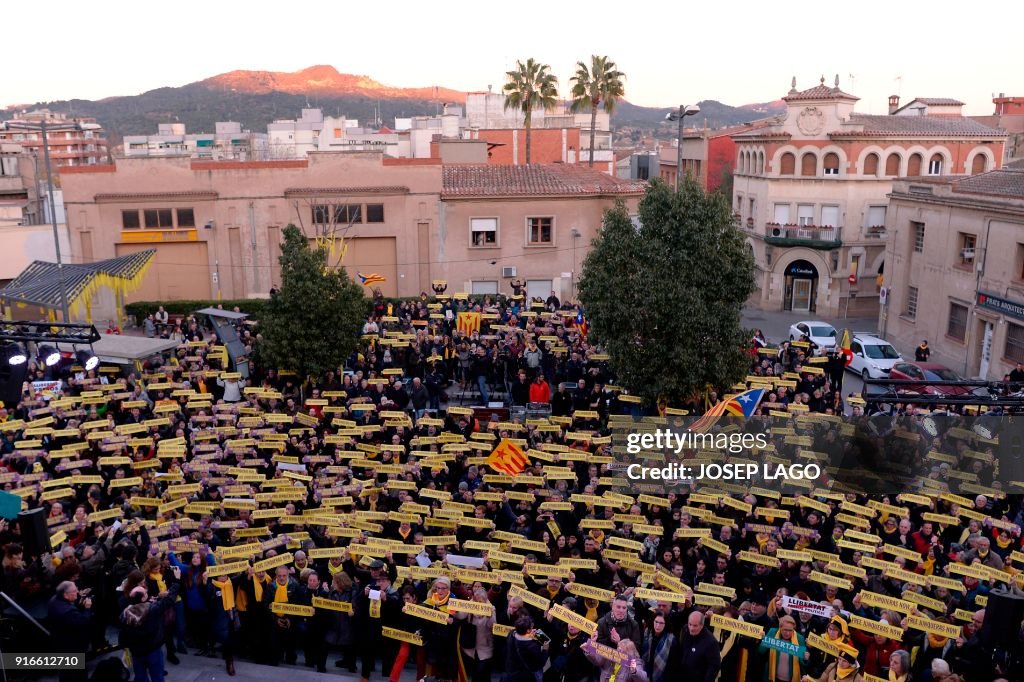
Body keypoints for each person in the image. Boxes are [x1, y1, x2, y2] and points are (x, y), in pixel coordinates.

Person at [120, 565, 182, 682]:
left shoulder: (126, 609)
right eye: (144, 592)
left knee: (140, 676)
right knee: (157, 676)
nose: (146, 590)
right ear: (143, 598)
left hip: (136, 650)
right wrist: (177, 580)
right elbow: (169, 599)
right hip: (152, 648)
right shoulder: (151, 609)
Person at [47, 581, 94, 682]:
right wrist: (87, 609)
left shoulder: (54, 600)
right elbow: (82, 622)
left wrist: (78, 604)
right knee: (78, 674)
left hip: (59, 642)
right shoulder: (67, 612)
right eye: (74, 590)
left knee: (65, 672)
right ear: (66, 594)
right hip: (72, 647)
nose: (77, 591)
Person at [759, 615, 805, 682]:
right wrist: (763, 640)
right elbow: (761, 651)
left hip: (791, 679)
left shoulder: (799, 638)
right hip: (774, 678)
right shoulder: (773, 632)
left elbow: (802, 662)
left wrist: (805, 658)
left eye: (790, 630)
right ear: (780, 627)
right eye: (785, 630)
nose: (787, 633)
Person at [678, 612, 720, 682]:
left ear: (702, 625)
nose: (691, 628)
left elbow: (714, 667)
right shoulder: (685, 630)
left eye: (695, 626)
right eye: (690, 624)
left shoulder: (711, 642)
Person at [505, 615, 548, 682]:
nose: (533, 628)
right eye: (531, 627)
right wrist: (545, 649)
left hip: (511, 672)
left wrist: (529, 635)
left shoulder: (511, 634)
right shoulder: (531, 646)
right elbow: (539, 664)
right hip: (524, 676)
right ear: (528, 630)